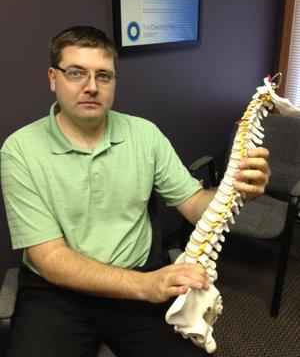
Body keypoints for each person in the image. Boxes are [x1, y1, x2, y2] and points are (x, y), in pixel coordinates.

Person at [0, 26, 271, 357]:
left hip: (138, 273)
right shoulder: (19, 150)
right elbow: (52, 259)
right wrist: (147, 286)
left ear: (114, 82)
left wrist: (237, 190)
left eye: (104, 76)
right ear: (53, 78)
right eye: (76, 73)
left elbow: (194, 205)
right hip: (57, 292)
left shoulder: (145, 135)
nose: (90, 87)